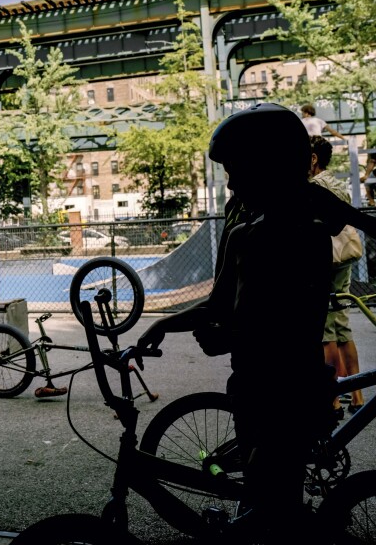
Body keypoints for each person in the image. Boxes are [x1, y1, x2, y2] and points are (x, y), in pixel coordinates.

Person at [137, 103, 336, 543]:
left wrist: (230, 337)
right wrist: (160, 326)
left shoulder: (307, 238)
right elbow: (218, 305)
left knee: (276, 506)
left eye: (236, 170)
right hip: (248, 387)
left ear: (272, 167)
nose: (230, 183)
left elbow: (295, 332)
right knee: (261, 499)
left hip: (288, 394)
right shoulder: (243, 231)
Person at [310, 135, 365, 417]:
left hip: (326, 258)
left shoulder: (315, 186)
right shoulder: (336, 181)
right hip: (346, 256)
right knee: (343, 325)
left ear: (314, 159)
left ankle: (332, 397)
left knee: (325, 330)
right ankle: (357, 394)